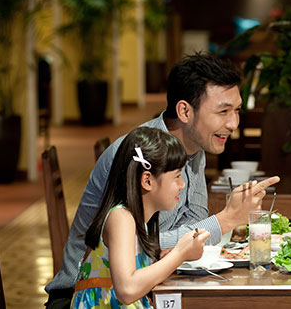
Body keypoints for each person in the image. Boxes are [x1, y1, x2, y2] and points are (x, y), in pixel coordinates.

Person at [46, 52, 280, 308]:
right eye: (223, 111)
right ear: (184, 111)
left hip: (147, 288)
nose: (234, 123)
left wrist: (213, 228)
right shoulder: (138, 156)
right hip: (85, 298)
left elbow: (192, 223)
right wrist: (225, 220)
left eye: (236, 111)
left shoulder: (195, 149)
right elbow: (139, 244)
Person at [70, 127, 211, 308]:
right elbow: (127, 290)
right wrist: (180, 254)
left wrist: (164, 261)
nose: (182, 184)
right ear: (147, 180)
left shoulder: (137, 220)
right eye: (177, 176)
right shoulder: (121, 217)